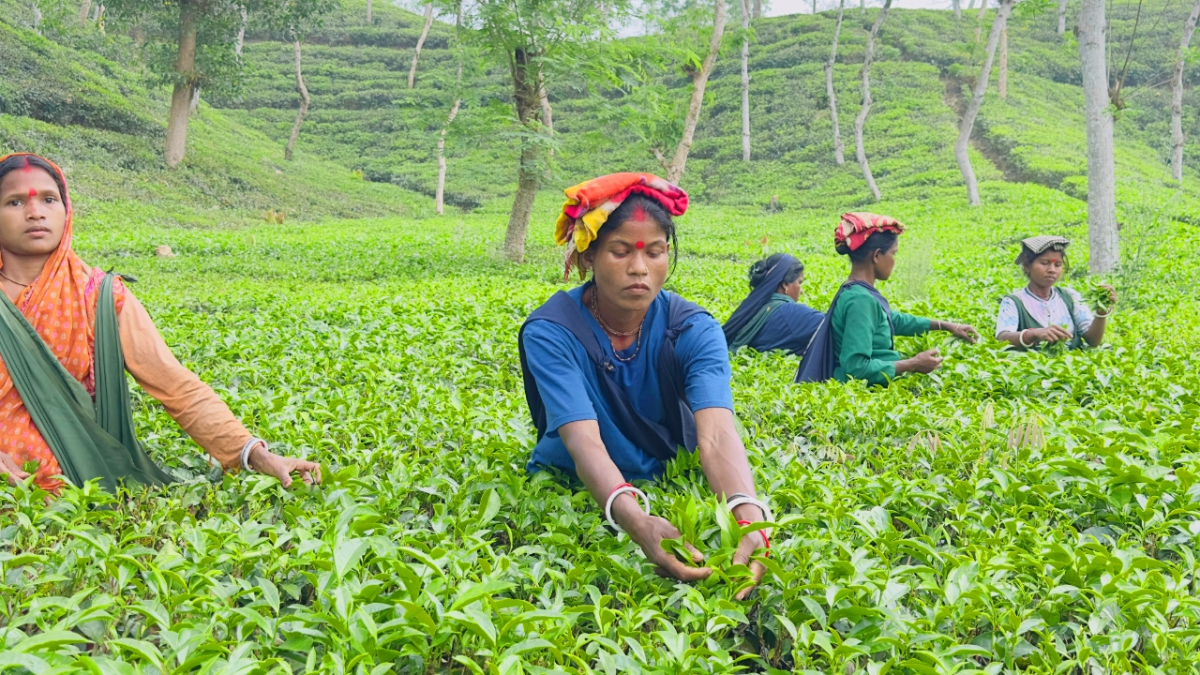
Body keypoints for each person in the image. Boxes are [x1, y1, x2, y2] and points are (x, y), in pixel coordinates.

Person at [0, 153, 321, 493]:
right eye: (15, 202)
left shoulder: (99, 297)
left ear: (66, 210)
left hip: (74, 481)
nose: (35, 212)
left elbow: (176, 385)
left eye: (49, 199)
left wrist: (256, 455)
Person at [519, 173, 771, 599]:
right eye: (620, 252)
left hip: (668, 469)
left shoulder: (694, 328)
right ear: (588, 256)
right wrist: (635, 520)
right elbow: (583, 440)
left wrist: (748, 516)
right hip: (569, 481)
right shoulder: (552, 331)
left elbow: (716, 434)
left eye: (655, 252)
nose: (639, 268)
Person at [795, 212, 977, 386]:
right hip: (866, 392)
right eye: (893, 253)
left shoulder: (855, 291)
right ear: (876, 256)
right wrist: (913, 364)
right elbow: (856, 368)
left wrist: (945, 326)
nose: (894, 261)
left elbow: (889, 319)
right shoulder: (860, 300)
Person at [995, 236, 1116, 351]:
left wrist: (1101, 313)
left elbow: (1093, 341)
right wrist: (1033, 334)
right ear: (1027, 266)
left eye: (1057, 265)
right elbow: (1002, 338)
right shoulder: (1014, 301)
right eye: (1044, 263)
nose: (1052, 270)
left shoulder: (1070, 297)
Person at [723, 253, 824, 355]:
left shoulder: (752, 309)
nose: (801, 290)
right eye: (799, 283)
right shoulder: (790, 312)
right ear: (785, 285)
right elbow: (831, 326)